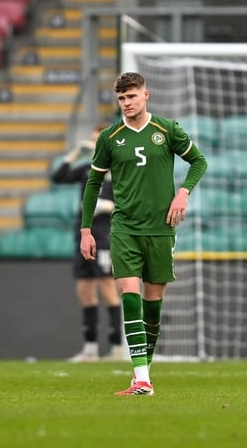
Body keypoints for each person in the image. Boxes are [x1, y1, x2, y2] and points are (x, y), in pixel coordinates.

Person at [80, 72, 207, 396]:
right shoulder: (110, 137)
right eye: (122, 99)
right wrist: (86, 230)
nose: (126, 103)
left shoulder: (167, 130)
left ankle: (142, 376)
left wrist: (183, 193)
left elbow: (198, 162)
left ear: (145, 95)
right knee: (128, 293)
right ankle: (142, 379)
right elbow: (94, 183)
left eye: (131, 97)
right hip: (124, 227)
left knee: (153, 302)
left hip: (161, 229)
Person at [51, 125, 126, 363]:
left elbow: (131, 202)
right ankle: (90, 349)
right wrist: (74, 154)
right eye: (93, 142)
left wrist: (107, 206)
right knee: (84, 289)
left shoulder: (120, 169)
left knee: (107, 286)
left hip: (104, 235)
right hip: (83, 233)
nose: (95, 147)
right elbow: (58, 177)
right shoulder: (86, 169)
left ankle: (116, 348)